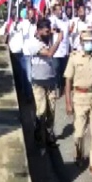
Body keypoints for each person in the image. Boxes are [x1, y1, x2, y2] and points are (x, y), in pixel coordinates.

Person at [64, 28, 92, 178]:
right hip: (79, 97)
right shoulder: (74, 57)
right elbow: (68, 81)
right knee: (78, 133)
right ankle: (79, 154)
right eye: (86, 41)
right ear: (81, 42)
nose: (89, 43)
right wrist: (68, 103)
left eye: (91, 40)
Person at [25, 18, 64, 154]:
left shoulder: (47, 38)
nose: (48, 33)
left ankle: (49, 135)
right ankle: (38, 137)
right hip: (39, 82)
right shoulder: (33, 43)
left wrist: (53, 31)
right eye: (45, 31)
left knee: (51, 110)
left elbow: (55, 31)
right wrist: (58, 39)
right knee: (41, 111)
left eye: (49, 31)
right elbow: (49, 53)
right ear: (39, 30)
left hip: (51, 80)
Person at [49, 4, 71, 96]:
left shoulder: (65, 20)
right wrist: (55, 29)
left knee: (63, 70)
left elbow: (67, 34)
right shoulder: (52, 19)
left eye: (60, 9)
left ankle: (63, 86)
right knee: (56, 69)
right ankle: (57, 87)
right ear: (54, 11)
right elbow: (50, 29)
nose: (60, 11)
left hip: (64, 50)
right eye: (57, 10)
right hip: (56, 51)